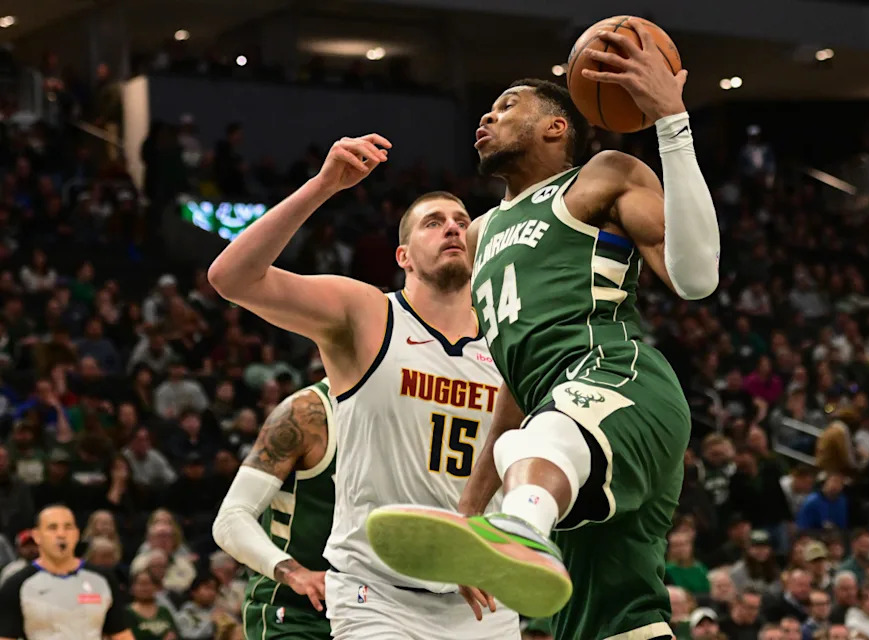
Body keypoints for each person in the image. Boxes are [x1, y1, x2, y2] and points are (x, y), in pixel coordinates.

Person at [367, 20, 719, 640]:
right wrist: (470, 513)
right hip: (560, 438)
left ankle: (522, 529)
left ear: (556, 127)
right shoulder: (479, 235)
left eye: (506, 107)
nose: (486, 117)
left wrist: (672, 121)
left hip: (622, 385)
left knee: (534, 439)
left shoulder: (602, 174)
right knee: (609, 622)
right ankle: (517, 526)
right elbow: (515, 383)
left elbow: (696, 278)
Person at [207, 136, 518, 638]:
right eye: (433, 223)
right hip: (377, 596)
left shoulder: (508, 338)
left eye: (461, 221)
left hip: (479, 592)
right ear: (403, 256)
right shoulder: (367, 313)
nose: (453, 229)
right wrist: (323, 185)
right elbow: (231, 277)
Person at [213, 381, 337, 639]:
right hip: (294, 613)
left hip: (374, 610)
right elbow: (231, 519)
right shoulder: (307, 412)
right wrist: (294, 572)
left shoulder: (415, 416)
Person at [0, 504, 133, 640]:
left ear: (77, 534)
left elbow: (121, 634)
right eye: (52, 528)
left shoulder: (103, 579)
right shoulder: (16, 584)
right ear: (37, 536)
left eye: (68, 527)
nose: (61, 534)